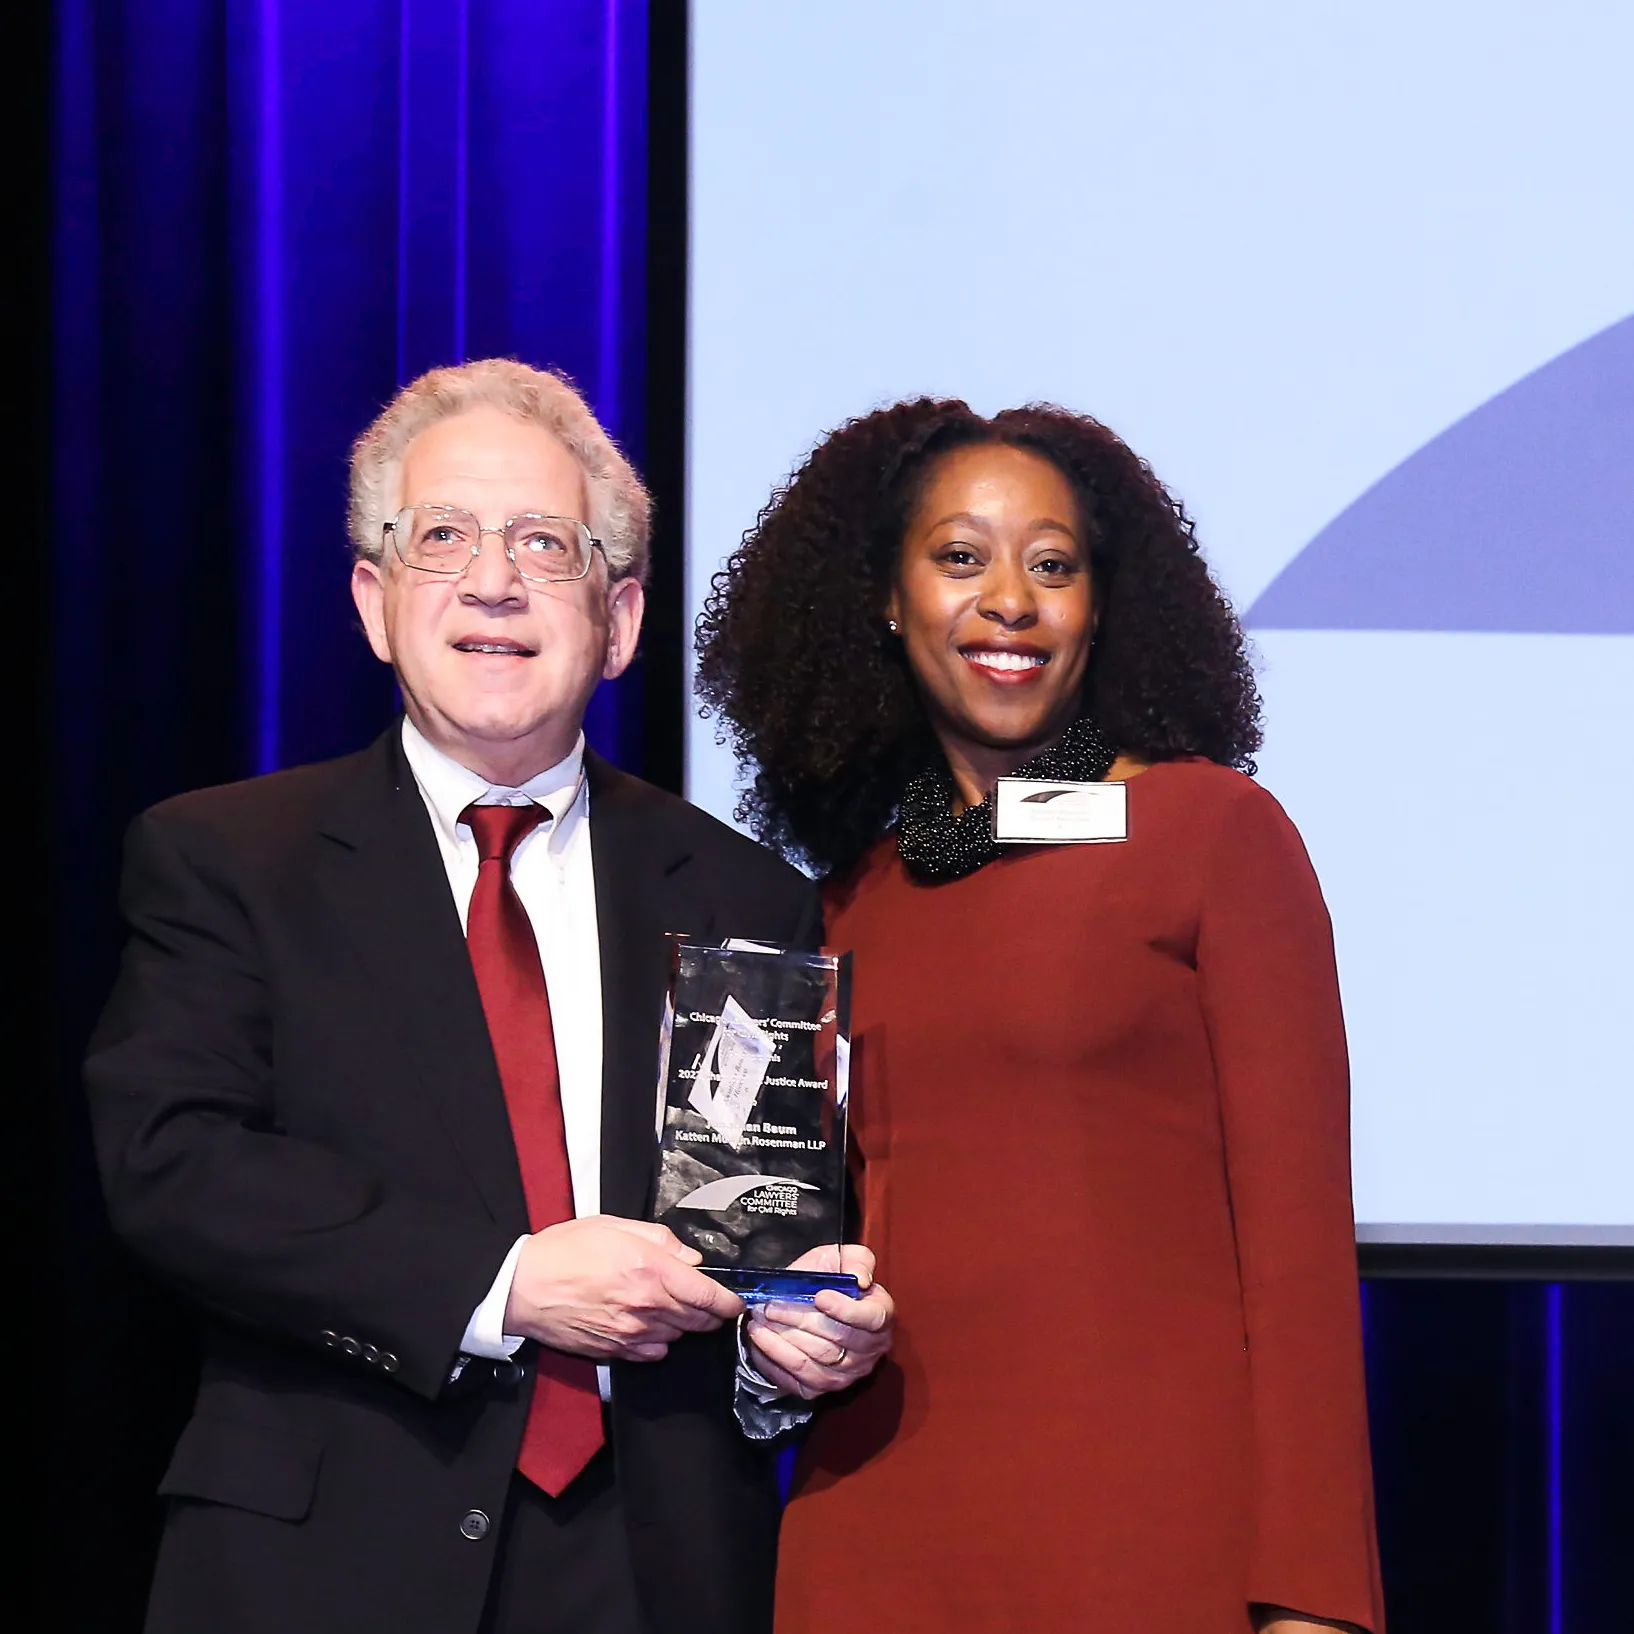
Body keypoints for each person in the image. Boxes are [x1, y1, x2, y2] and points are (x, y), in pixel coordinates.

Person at [84, 359, 894, 1634]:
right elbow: (173, 1164)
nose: (493, 580)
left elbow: (755, 1242)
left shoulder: (748, 898)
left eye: (543, 543)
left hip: (653, 1569)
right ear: (372, 598)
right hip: (321, 1564)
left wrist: (789, 1347)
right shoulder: (229, 857)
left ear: (620, 617)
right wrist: (503, 1280)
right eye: (440, 537)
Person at [696, 398, 1385, 1633]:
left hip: (1146, 1541)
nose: (1007, 598)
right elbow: (776, 1241)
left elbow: (1298, 1263)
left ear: (1100, 607)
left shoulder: (1207, 832)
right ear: (884, 601)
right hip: (873, 1541)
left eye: (1051, 565)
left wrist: (1315, 1597)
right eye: (959, 557)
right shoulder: (838, 905)